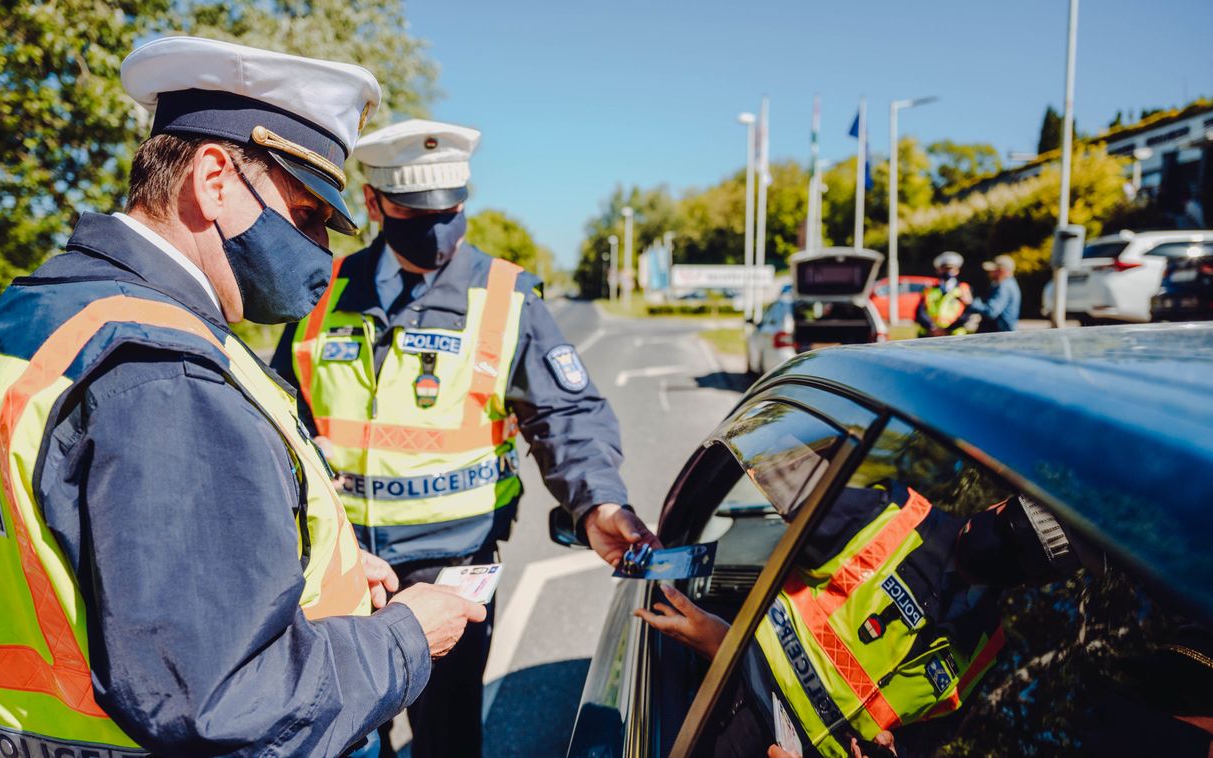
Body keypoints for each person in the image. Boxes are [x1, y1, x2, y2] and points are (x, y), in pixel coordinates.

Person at [0, 37, 487, 758]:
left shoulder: (48, 310)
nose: (320, 255)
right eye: (303, 216)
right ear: (213, 178)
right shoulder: (164, 372)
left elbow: (106, 557)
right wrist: (406, 637)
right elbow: (229, 705)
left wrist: (295, 564)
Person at [272, 118, 657, 758]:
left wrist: (598, 502)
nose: (440, 227)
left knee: (447, 740)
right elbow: (279, 416)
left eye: (453, 209)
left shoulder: (507, 296)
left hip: (455, 564)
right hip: (341, 567)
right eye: (417, 210)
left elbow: (566, 414)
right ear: (374, 204)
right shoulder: (321, 291)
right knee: (340, 738)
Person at [636, 486, 1080, 758]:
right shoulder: (895, 518)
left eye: (1020, 556)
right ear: (999, 504)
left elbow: (927, 741)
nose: (1000, 545)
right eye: (1008, 527)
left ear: (1034, 580)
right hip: (733, 709)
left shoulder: (984, 649)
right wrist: (726, 642)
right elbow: (791, 491)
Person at [914, 251, 972, 337]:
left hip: (954, 335)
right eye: (944, 268)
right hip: (930, 334)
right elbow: (920, 312)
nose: (948, 272)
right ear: (938, 270)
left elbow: (967, 313)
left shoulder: (964, 289)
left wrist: (947, 330)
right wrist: (932, 327)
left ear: (957, 270)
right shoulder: (928, 289)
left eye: (951, 269)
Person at [964, 255, 1021, 333]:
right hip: (1003, 334)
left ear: (1002, 271)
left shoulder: (1004, 286)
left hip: (1000, 336)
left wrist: (970, 302)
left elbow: (991, 312)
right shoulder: (1010, 284)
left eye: (993, 270)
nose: (989, 273)